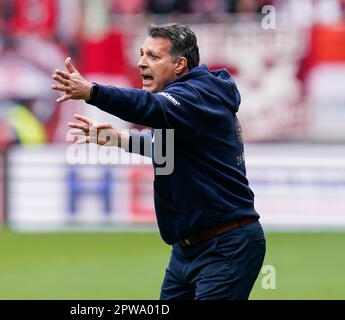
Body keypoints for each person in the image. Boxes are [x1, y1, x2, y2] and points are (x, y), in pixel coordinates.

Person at [51, 23, 266, 300]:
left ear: (180, 64)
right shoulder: (183, 104)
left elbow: (149, 106)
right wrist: (119, 139)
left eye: (153, 56)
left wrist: (93, 92)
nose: (141, 63)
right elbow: (168, 149)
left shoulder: (195, 96)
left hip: (226, 246)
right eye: (141, 54)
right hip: (187, 251)